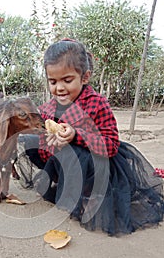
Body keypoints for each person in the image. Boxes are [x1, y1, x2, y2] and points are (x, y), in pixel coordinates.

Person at [17, 38, 164, 236]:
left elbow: (111, 145)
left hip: (98, 165)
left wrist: (76, 135)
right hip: (66, 165)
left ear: (84, 77)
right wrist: (45, 139)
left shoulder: (97, 104)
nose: (59, 88)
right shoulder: (48, 108)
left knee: (75, 154)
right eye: (53, 81)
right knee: (32, 141)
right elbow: (44, 141)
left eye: (67, 80)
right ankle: (64, 184)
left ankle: (90, 195)